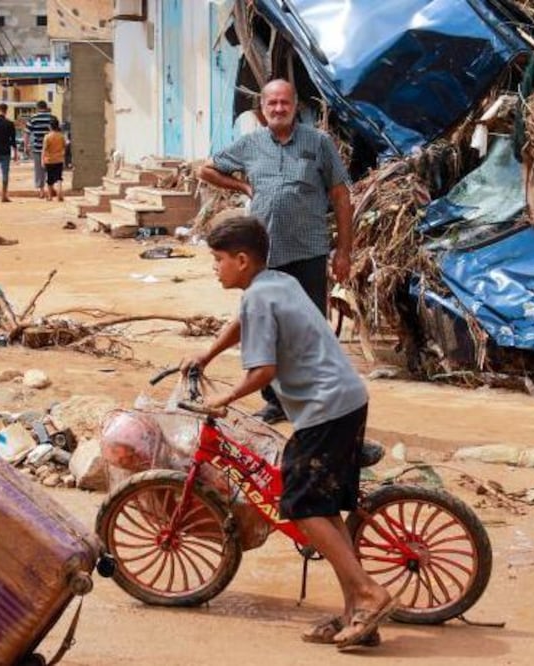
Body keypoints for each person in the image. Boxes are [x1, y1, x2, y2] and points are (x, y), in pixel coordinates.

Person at [182, 217, 395, 649]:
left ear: (242, 261)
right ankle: (354, 610)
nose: (215, 268)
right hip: (345, 398)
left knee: (298, 505)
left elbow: (264, 371)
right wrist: (206, 354)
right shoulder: (274, 283)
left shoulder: (261, 299)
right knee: (324, 509)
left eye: (219, 260)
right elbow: (241, 322)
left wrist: (223, 400)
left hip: (325, 408)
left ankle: (370, 594)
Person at [196, 78, 354, 424]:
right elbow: (205, 169)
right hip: (263, 257)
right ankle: (275, 400)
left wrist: (344, 251)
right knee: (263, 329)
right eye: (272, 104)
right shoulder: (250, 144)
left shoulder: (318, 143)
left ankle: (316, 398)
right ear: (262, 109)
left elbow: (341, 197)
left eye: (285, 102)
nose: (279, 109)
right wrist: (243, 185)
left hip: (308, 251)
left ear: (296, 106)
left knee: (309, 328)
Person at [26, 100, 58, 199]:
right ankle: (51, 188)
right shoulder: (52, 118)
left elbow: (27, 133)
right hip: (51, 149)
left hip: (38, 148)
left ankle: (41, 191)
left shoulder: (33, 118)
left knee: (39, 170)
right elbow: (58, 132)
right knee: (51, 169)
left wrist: (26, 145)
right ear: (46, 107)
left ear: (37, 107)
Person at [42, 117, 66, 202]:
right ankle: (60, 193)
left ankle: (50, 196)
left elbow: (44, 149)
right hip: (59, 159)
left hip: (49, 160)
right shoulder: (61, 136)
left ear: (50, 126)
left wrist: (42, 160)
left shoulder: (47, 137)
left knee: (49, 179)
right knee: (59, 177)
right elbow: (64, 147)